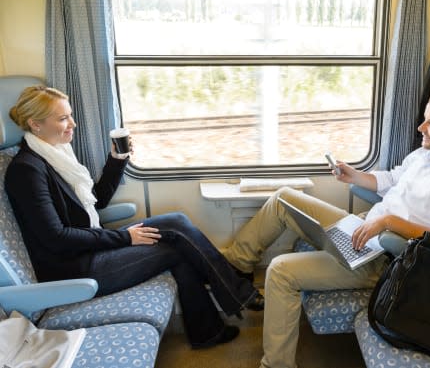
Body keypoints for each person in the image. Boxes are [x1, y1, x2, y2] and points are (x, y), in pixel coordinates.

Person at [221, 83, 430, 368]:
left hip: (388, 260)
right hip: (364, 229)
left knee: (280, 271)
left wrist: (389, 222)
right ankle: (231, 269)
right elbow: (391, 179)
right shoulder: (427, 153)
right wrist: (355, 176)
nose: (421, 127)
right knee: (283, 199)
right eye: (425, 118)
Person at [4, 85, 265, 349]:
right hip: (74, 267)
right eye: (62, 118)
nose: (73, 123)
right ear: (35, 124)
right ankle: (228, 305)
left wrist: (118, 160)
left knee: (176, 222)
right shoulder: (27, 170)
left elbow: (95, 202)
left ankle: (220, 316)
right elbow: (56, 238)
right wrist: (124, 238)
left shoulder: (57, 154)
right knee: (176, 249)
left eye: (70, 115)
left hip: (88, 248)